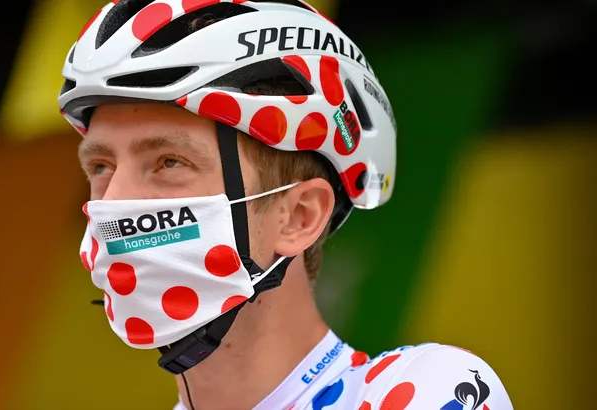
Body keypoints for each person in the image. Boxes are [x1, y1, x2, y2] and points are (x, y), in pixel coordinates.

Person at [59, 1, 513, 409]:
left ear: (299, 216)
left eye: (169, 162)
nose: (112, 201)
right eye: (100, 167)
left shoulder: (417, 392)